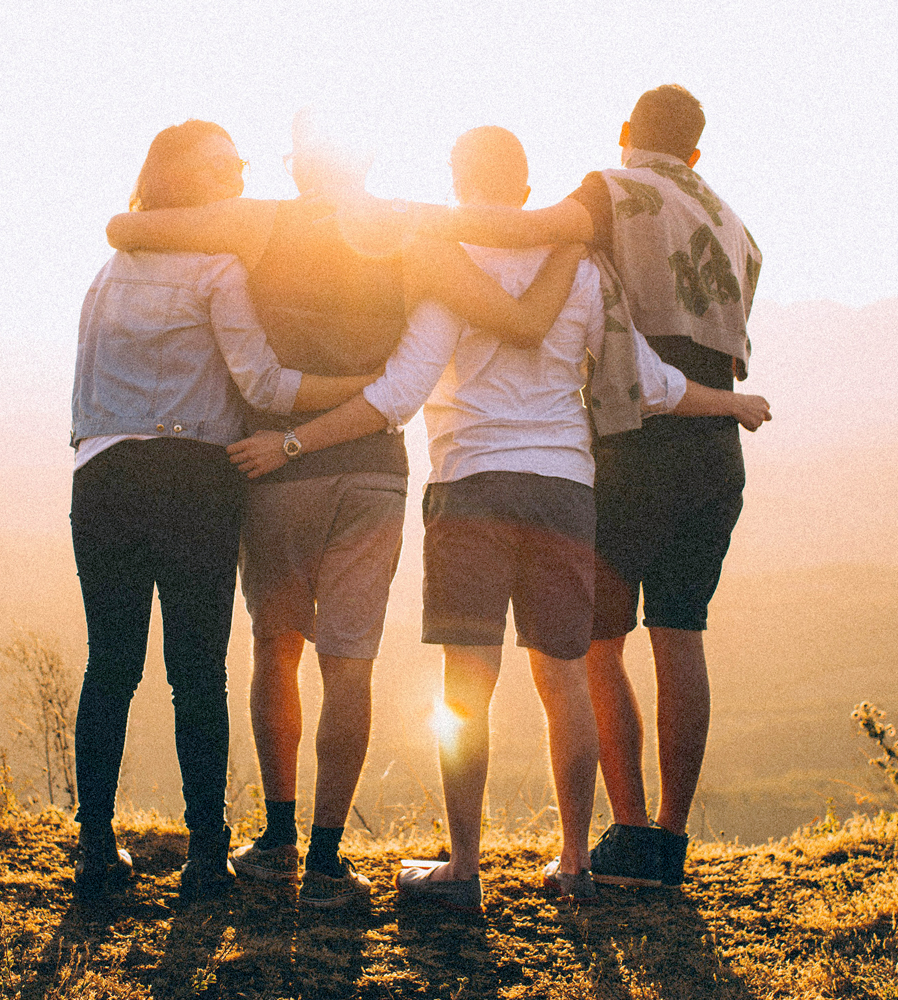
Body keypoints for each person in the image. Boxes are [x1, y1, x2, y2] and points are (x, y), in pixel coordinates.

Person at [228, 125, 767, 910]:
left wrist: (293, 440)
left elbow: (400, 394)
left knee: (466, 688)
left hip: (470, 486)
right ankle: (576, 863)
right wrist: (734, 403)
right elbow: (649, 382)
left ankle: (465, 868)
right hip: (565, 492)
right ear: (524, 189)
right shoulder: (582, 270)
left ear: (456, 180)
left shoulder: (447, 265)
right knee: (565, 682)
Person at [104, 110, 585, 909]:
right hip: (372, 471)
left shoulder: (256, 225)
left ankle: (279, 837)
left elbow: (128, 229)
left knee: (276, 648)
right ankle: (328, 859)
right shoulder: (412, 235)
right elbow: (518, 321)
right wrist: (570, 240)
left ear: (298, 167)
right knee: (349, 663)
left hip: (274, 467)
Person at [414, 85, 766, 888]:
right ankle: (667, 843)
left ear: (624, 133)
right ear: (697, 152)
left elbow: (532, 232)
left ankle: (625, 834)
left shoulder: (612, 191)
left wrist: (414, 221)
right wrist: (733, 405)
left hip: (634, 439)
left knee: (593, 648)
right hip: (712, 445)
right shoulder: (737, 226)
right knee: (681, 634)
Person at [69, 119, 373, 905]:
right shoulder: (217, 268)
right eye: (225, 164)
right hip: (194, 479)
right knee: (196, 673)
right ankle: (207, 857)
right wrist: (363, 389)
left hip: (101, 476)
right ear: (189, 181)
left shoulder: (108, 272)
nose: (240, 172)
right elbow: (266, 388)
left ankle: (95, 849)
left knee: (111, 666)